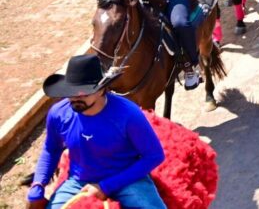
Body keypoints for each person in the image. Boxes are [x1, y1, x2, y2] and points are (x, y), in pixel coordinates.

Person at [26, 55, 166, 209]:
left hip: (126, 179)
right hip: (79, 181)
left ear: (102, 90)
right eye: (71, 92)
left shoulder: (129, 114)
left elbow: (154, 155)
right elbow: (51, 149)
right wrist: (38, 182)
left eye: (84, 93)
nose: (76, 98)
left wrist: (105, 186)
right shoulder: (58, 113)